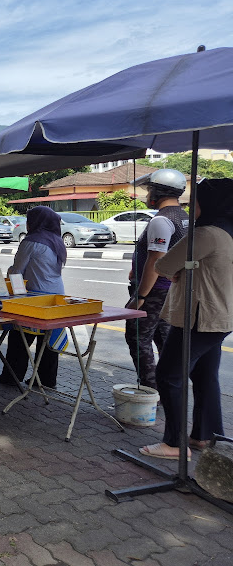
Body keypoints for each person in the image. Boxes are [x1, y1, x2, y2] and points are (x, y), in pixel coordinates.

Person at [139, 178, 233, 460]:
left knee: (169, 376)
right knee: (205, 375)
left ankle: (174, 443)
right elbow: (191, 264)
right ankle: (205, 435)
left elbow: (164, 265)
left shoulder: (205, 234)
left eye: (197, 201)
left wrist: (182, 267)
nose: (193, 207)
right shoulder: (228, 233)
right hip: (220, 316)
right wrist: (187, 265)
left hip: (198, 317)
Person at [124, 168, 188, 390]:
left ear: (159, 191)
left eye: (149, 189)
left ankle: (150, 388)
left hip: (155, 290)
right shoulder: (184, 218)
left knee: (137, 336)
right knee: (164, 337)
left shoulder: (162, 221)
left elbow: (155, 261)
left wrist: (140, 296)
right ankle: (168, 384)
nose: (147, 194)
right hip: (172, 289)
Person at [0, 206, 66, 389]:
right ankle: (46, 381)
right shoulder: (57, 241)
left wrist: (9, 285)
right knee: (48, 339)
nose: (27, 224)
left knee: (20, 335)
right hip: (57, 296)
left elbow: (17, 271)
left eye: (29, 220)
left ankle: (12, 375)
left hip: (35, 296)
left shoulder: (31, 241)